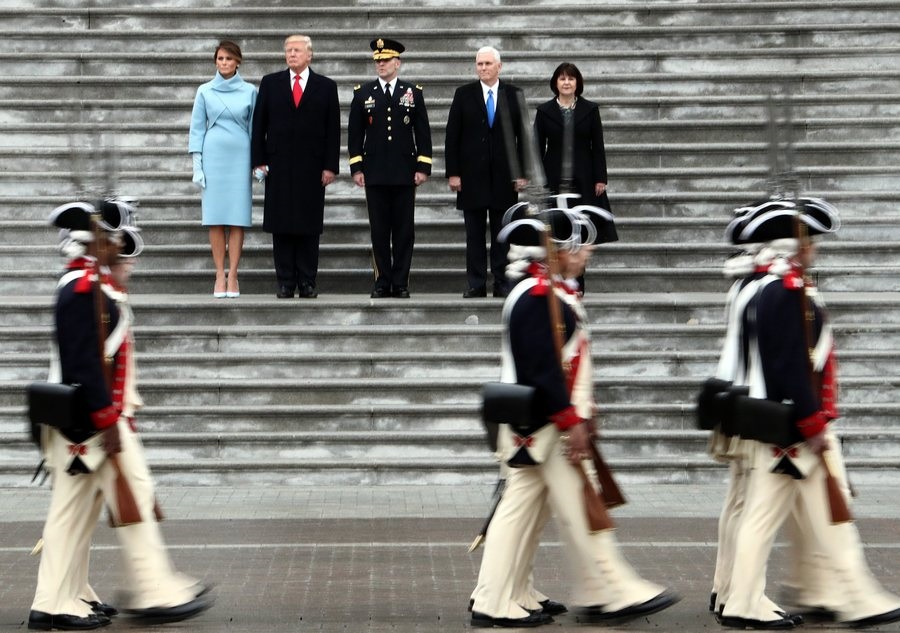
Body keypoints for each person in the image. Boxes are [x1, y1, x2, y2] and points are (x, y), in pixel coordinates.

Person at [469, 205, 678, 628]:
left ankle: (498, 596)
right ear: (554, 254)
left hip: (546, 423)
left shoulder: (546, 293)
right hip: (544, 425)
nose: (586, 252)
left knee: (523, 512)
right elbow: (543, 370)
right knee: (578, 509)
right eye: (575, 247)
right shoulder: (537, 297)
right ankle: (608, 590)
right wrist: (570, 420)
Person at [28, 200, 213, 631]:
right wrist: (108, 419)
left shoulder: (93, 288)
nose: (120, 248)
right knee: (130, 501)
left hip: (94, 422)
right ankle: (153, 590)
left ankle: (61, 597)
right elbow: (83, 365)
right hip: (91, 425)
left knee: (74, 515)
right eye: (112, 240)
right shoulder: (81, 290)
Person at [718, 197, 900, 629]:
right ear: (795, 246)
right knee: (819, 519)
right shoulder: (783, 292)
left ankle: (755, 599)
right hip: (794, 423)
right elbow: (789, 365)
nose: (814, 246)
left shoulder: (776, 286)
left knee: (773, 517)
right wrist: (812, 422)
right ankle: (854, 597)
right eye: (810, 240)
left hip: (785, 420)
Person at [251, 34, 340, 298]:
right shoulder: (270, 83)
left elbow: (333, 130)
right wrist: (259, 161)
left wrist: (330, 166)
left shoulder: (326, 86)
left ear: (309, 55)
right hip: (278, 165)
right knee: (281, 225)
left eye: (297, 50)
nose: (292, 54)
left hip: (312, 167)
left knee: (309, 225)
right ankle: (285, 281)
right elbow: (259, 126)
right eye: (288, 50)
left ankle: (307, 281)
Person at [348, 37, 432, 299]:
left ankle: (401, 281)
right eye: (377, 61)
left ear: (397, 62)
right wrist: (357, 167)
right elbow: (354, 134)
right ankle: (382, 280)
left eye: (385, 61)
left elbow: (423, 133)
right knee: (380, 230)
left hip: (405, 172)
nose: (380, 65)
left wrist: (423, 166)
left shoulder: (412, 92)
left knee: (404, 230)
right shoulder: (363, 93)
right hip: (374, 172)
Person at [445, 46, 528, 299]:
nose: (483, 68)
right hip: (471, 178)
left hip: (504, 178)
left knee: (503, 234)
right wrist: (453, 173)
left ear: (499, 66)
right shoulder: (464, 94)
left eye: (488, 64)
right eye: (479, 64)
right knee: (475, 235)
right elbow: (452, 136)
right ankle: (476, 283)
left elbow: (523, 136)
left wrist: (522, 173)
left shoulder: (514, 94)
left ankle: (502, 282)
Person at [189, 40, 257, 299]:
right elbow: (196, 128)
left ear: (238, 61)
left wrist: (258, 163)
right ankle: (219, 274)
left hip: (240, 156)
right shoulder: (204, 91)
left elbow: (255, 128)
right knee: (215, 219)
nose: (224, 63)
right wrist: (198, 165)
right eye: (220, 59)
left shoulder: (250, 91)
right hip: (214, 155)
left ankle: (234, 274)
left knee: (238, 219)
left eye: (229, 58)